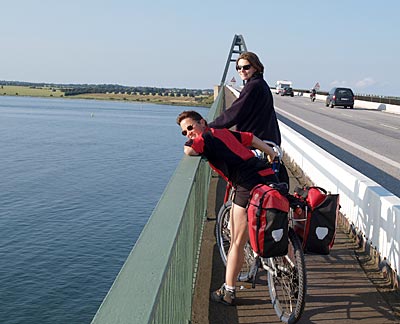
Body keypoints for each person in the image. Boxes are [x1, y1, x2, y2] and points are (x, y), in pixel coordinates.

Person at [176, 110, 279, 306]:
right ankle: (292, 270)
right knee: (278, 222)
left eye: (190, 127)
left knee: (237, 242)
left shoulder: (205, 138)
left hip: (247, 185)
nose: (189, 133)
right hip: (268, 176)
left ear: (202, 122)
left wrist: (190, 143)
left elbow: (189, 151)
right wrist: (271, 153)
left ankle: (229, 292)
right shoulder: (221, 132)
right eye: (184, 132)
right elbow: (251, 139)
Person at [209, 51, 289, 184]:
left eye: (246, 67)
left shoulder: (253, 86)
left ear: (256, 67)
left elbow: (234, 113)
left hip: (259, 144)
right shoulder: (260, 84)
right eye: (238, 68)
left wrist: (209, 129)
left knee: (248, 186)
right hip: (267, 141)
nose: (242, 71)